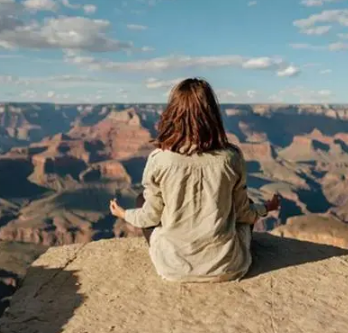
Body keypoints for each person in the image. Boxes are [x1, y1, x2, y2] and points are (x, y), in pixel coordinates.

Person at [109, 78, 280, 283]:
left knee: (141, 200)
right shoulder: (231, 157)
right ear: (212, 114)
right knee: (247, 204)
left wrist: (123, 214)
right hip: (227, 267)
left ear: (173, 113)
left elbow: (150, 218)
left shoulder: (159, 158)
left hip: (173, 268)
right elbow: (244, 214)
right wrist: (265, 208)